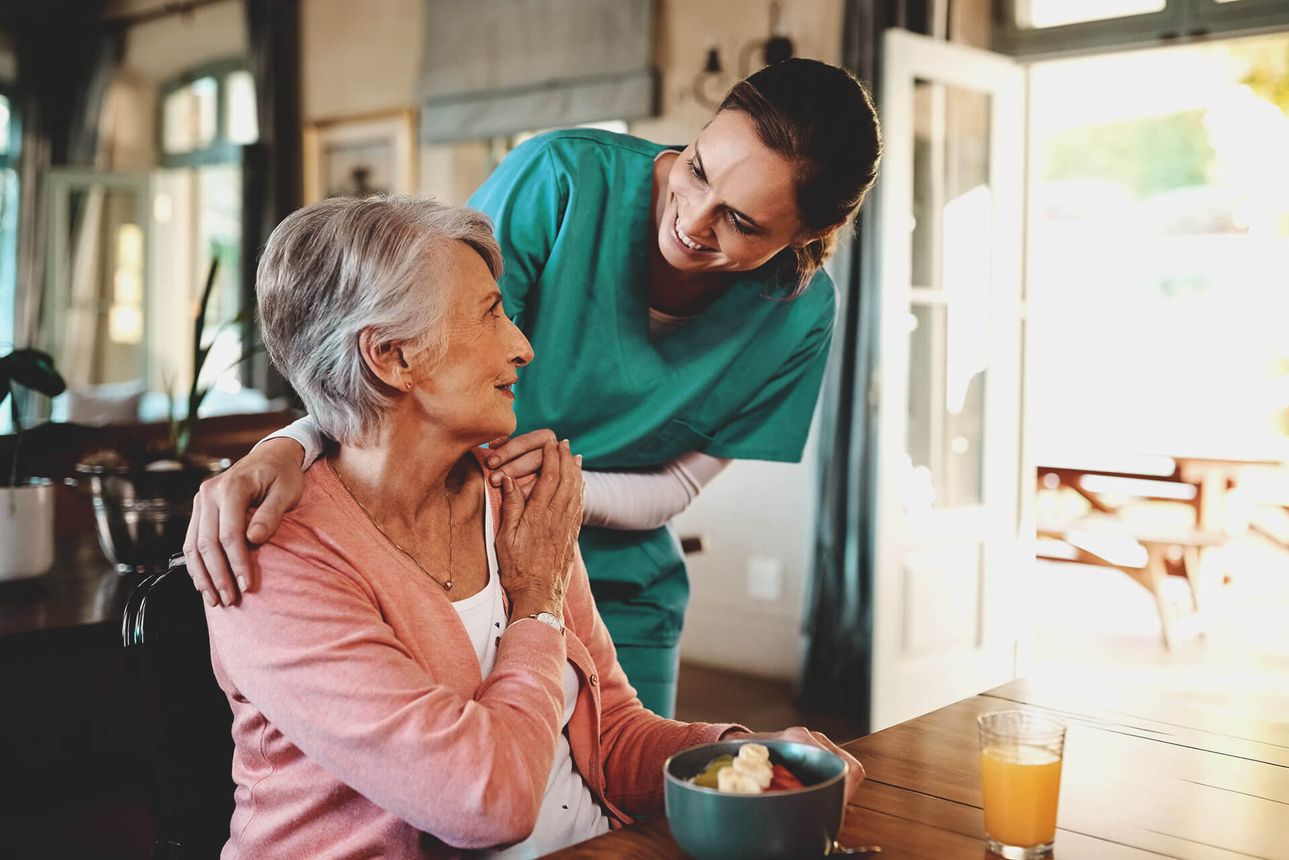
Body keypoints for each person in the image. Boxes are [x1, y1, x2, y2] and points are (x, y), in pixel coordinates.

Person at [186, 58, 883, 717]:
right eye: (697, 169)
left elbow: (677, 488)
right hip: (449, 556)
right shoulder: (561, 180)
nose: (692, 220)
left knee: (624, 815)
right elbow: (402, 348)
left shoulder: (798, 316)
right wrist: (289, 444)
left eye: (741, 222)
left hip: (618, 583)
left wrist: (559, 496)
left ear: (809, 233)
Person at [201, 195, 863, 858]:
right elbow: (486, 802)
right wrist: (536, 602)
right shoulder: (273, 556)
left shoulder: (514, 498)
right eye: (491, 314)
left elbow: (609, 736)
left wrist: (741, 756)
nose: (522, 348)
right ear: (391, 357)